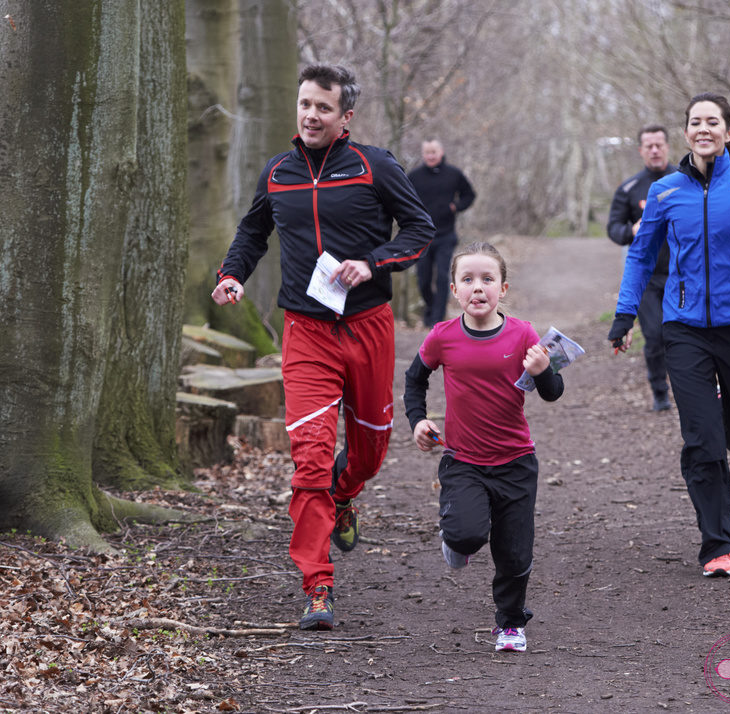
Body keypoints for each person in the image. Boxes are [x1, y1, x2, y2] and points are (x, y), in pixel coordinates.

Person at [211, 64, 434, 630]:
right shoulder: (279, 172)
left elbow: (419, 230)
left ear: (345, 118)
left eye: (323, 108)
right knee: (309, 457)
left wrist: (374, 262)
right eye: (305, 104)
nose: (311, 115)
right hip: (306, 331)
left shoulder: (373, 166)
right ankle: (317, 584)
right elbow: (252, 232)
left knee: (369, 452)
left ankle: (346, 491)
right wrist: (233, 273)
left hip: (368, 325)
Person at [607, 93, 730, 579]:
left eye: (712, 121)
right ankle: (718, 544)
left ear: (727, 131)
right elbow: (639, 255)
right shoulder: (666, 193)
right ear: (687, 131)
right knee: (702, 440)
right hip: (684, 329)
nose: (703, 129)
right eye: (695, 121)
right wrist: (624, 314)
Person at [402, 241, 564, 653]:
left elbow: (552, 393)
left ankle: (510, 624)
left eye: (487, 279)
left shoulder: (523, 334)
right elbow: (414, 379)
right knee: (467, 535)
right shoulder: (442, 337)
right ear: (454, 290)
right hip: (463, 459)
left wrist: (544, 372)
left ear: (503, 289)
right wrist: (418, 419)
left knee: (513, 551)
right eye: (468, 280)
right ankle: (455, 539)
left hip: (516, 462)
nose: (478, 288)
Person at [607, 125, 677, 411]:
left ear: (668, 146)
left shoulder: (685, 180)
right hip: (648, 278)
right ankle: (659, 391)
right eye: (649, 146)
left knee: (684, 334)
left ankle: (691, 389)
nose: (655, 150)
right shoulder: (629, 188)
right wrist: (631, 230)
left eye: (659, 144)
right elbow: (613, 228)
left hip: (683, 275)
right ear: (641, 150)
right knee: (655, 335)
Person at [408, 139, 477, 326]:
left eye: (434, 152)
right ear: (423, 154)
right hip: (422, 236)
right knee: (423, 279)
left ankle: (437, 319)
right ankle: (430, 309)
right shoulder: (414, 176)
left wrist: (456, 206)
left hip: (446, 234)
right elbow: (403, 198)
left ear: (441, 152)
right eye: (427, 153)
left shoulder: (453, 174)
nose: (430, 156)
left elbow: (469, 195)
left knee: (442, 276)